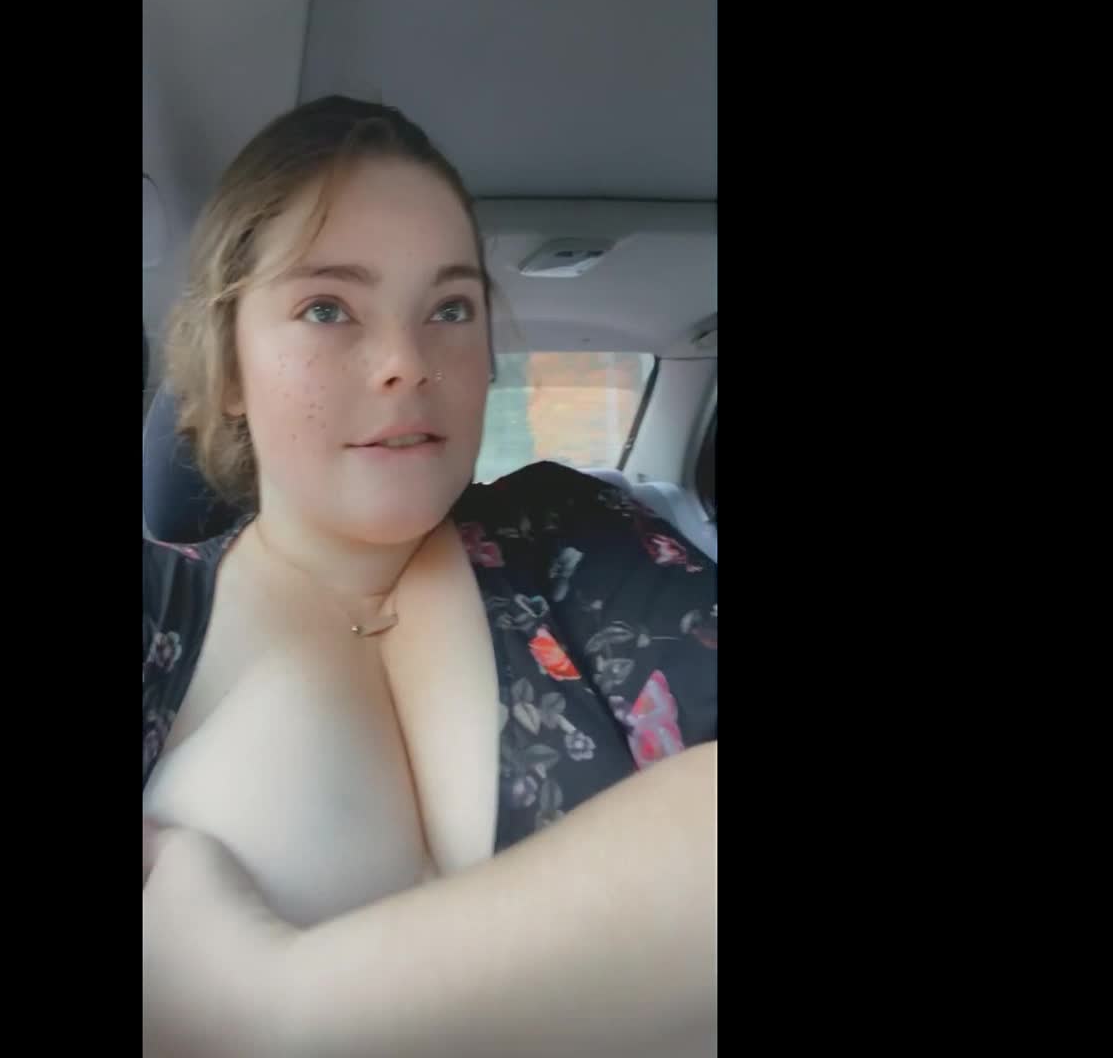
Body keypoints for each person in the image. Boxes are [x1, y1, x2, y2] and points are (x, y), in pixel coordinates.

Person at [143, 96, 717, 1058]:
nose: (408, 363)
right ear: (230, 366)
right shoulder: (157, 610)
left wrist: (278, 1009)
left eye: (450, 308)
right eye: (327, 308)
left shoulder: (575, 534)